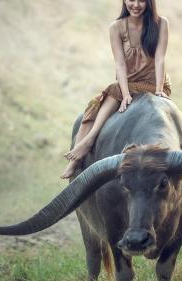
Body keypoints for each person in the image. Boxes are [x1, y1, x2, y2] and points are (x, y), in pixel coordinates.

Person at [60, 0, 171, 179]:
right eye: (131, 0)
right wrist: (125, 93)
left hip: (152, 82)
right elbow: (120, 64)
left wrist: (159, 89)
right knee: (99, 102)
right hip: (127, 82)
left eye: (141, 0)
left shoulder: (161, 24)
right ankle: (80, 152)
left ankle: (88, 142)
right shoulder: (117, 27)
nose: (135, 5)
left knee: (112, 92)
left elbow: (160, 59)